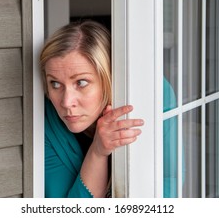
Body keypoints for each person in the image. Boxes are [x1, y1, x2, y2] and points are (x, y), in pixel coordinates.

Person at [40, 20, 144, 198]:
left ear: (108, 79)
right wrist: (97, 151)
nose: (66, 102)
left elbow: (169, 179)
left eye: (81, 82)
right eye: (55, 84)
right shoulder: (45, 125)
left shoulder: (149, 97)